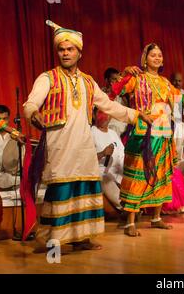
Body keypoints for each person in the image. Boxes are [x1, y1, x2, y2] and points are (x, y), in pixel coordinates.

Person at [23, 20, 151, 251]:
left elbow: (110, 107)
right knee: (61, 189)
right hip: (60, 145)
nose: (65, 53)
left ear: (79, 52)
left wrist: (136, 115)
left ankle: (82, 238)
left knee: (85, 187)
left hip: (83, 144)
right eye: (61, 49)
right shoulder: (48, 78)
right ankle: (55, 241)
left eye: (70, 49)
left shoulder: (88, 82)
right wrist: (33, 113)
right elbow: (31, 102)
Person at [116, 43, 184, 237]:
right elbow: (116, 90)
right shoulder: (137, 78)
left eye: (159, 55)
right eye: (153, 55)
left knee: (162, 176)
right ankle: (130, 222)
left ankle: (156, 218)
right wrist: (124, 74)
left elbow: (180, 101)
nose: (157, 58)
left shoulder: (165, 82)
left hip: (164, 134)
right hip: (143, 133)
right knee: (138, 176)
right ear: (145, 59)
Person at [91, 110, 125, 211]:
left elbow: (122, 153)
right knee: (105, 178)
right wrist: (102, 153)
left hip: (118, 171)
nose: (104, 117)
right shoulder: (91, 133)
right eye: (100, 113)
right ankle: (125, 208)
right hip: (101, 172)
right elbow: (85, 159)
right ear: (93, 115)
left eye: (107, 114)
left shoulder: (113, 133)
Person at [103, 67, 128, 136]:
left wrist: (121, 93)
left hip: (121, 121)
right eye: (114, 79)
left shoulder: (122, 93)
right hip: (106, 122)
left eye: (118, 79)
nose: (117, 81)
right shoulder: (101, 93)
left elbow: (127, 108)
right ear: (107, 80)